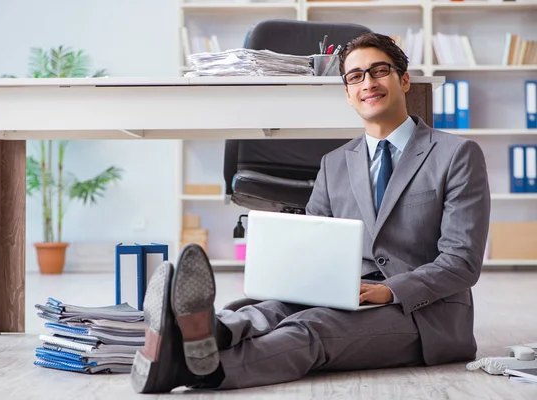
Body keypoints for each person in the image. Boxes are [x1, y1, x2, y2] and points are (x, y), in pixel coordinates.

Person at [130, 32, 491, 394]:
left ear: (404, 79)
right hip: (345, 290)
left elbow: (462, 261)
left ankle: (195, 370)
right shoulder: (334, 164)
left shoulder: (456, 154)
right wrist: (290, 277)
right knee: (264, 308)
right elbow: (314, 247)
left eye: (379, 71)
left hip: (423, 315)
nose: (368, 83)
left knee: (313, 327)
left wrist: (388, 291)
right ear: (348, 94)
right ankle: (209, 331)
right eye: (355, 76)